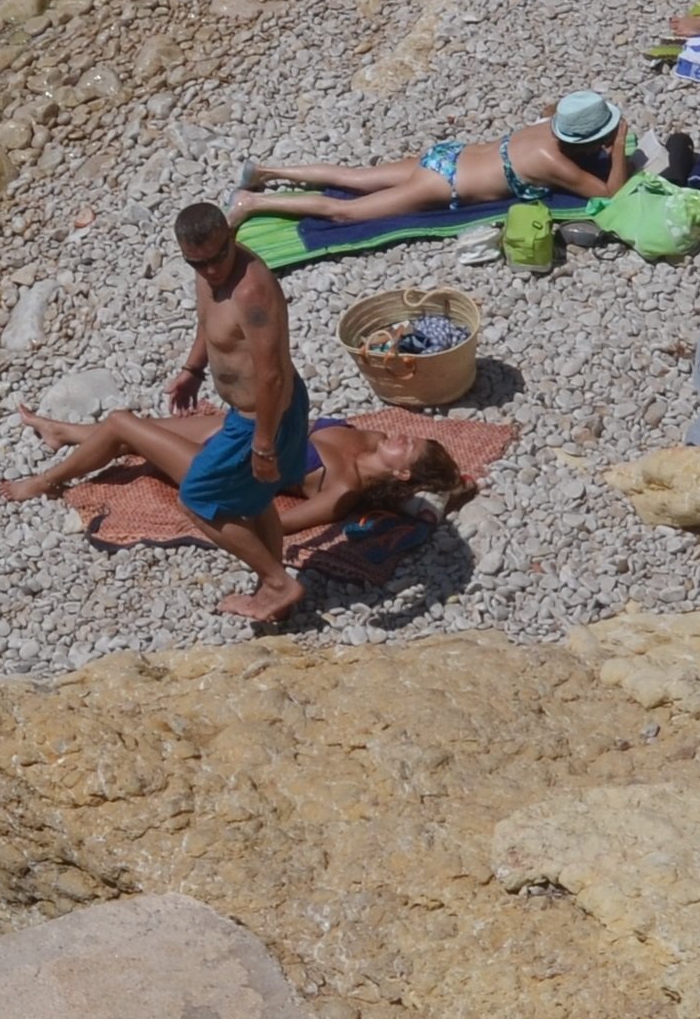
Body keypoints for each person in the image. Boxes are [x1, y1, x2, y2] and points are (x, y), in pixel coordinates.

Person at [163, 201, 316, 624]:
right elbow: (209, 325)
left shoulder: (251, 290)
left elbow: (270, 376)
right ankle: (279, 591)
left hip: (264, 416)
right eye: (198, 263)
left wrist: (263, 444)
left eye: (217, 258)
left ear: (231, 239)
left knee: (197, 498)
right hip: (249, 416)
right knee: (255, 499)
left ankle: (276, 583)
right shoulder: (207, 276)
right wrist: (193, 370)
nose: (211, 270)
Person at [0, 405, 477, 539]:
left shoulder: (344, 489)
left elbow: (279, 524)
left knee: (123, 423)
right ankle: (67, 433)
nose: (398, 435)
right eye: (406, 436)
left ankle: (45, 481)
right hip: (245, 434)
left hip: (227, 469)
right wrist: (451, 488)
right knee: (127, 433)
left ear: (403, 476)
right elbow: (453, 485)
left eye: (406, 447)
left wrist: (222, 512)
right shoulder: (370, 440)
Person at [231, 92, 638, 229]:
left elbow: (552, 107)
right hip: (444, 185)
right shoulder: (556, 163)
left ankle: (266, 170)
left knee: (354, 177)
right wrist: (618, 149)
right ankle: (254, 203)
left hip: (448, 154)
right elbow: (610, 195)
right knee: (345, 213)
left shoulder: (548, 124)